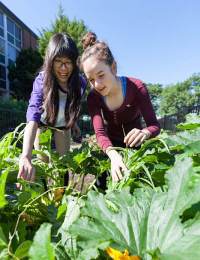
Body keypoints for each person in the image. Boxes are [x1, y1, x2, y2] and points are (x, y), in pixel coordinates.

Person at [80, 32, 160, 183]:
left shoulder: (137, 87)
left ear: (114, 67)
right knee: (102, 185)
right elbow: (100, 133)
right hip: (110, 147)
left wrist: (145, 133)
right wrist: (114, 156)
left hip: (136, 145)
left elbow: (154, 125)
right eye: (91, 79)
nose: (97, 84)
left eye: (101, 75)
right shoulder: (93, 97)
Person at [18, 33, 86, 183]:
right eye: (58, 62)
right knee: (43, 162)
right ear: (50, 61)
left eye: (68, 62)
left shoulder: (80, 83)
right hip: (42, 124)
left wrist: (73, 123)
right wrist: (26, 156)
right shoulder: (42, 80)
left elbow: (72, 105)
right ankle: (45, 198)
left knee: (63, 163)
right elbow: (33, 116)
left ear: (75, 63)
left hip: (62, 126)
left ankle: (61, 196)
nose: (63, 68)